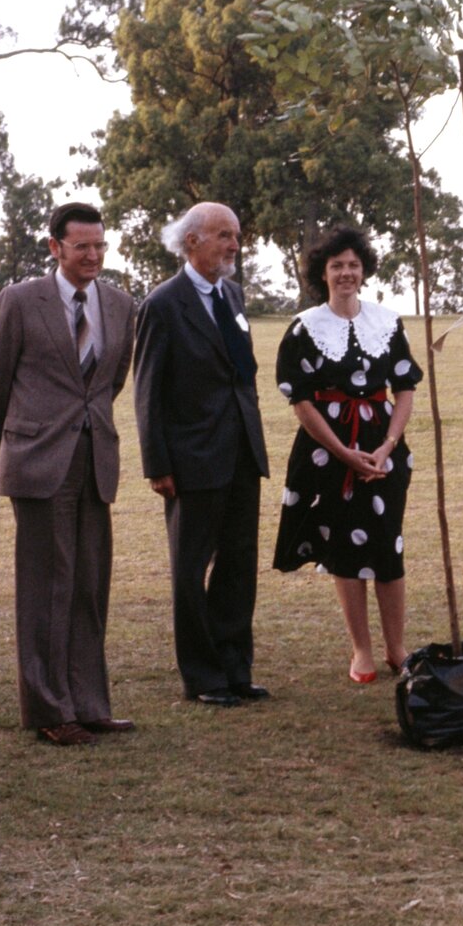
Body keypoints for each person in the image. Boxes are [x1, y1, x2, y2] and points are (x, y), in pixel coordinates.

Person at [0, 202, 136, 745]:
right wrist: (18, 445)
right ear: (55, 247)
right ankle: (49, 710)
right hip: (38, 463)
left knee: (89, 584)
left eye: (99, 245)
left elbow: (110, 383)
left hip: (95, 460)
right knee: (47, 587)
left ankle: (88, 705)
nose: (92, 255)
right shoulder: (20, 301)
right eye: (80, 246)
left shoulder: (120, 305)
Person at [134, 202, 269, 708]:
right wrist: (158, 465)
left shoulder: (232, 294)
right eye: (224, 235)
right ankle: (203, 677)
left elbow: (243, 374)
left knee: (239, 563)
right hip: (191, 459)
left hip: (241, 453)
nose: (234, 244)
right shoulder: (162, 304)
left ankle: (235, 669)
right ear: (192, 241)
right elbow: (147, 390)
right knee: (190, 571)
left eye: (236, 235)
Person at [273, 225, 423, 684]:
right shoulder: (305, 327)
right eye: (336, 265)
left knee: (388, 542)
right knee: (344, 546)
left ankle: (397, 648)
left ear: (364, 271)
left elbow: (405, 387)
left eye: (353, 265)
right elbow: (301, 400)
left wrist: (387, 446)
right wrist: (342, 452)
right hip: (327, 452)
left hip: (383, 448)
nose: (346, 273)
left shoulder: (387, 322)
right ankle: (361, 651)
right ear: (322, 273)